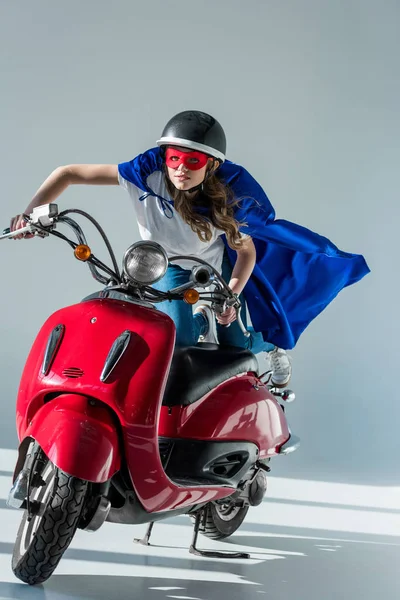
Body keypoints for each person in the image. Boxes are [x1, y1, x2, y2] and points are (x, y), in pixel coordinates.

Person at [10, 110, 370, 388]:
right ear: (164, 157)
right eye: (174, 158)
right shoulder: (142, 176)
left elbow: (246, 253)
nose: (181, 168)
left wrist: (230, 296)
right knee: (162, 338)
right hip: (159, 265)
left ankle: (271, 347)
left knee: (235, 345)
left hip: (212, 273)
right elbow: (68, 172)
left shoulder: (225, 202)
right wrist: (30, 215)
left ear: (211, 165)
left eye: (193, 161)